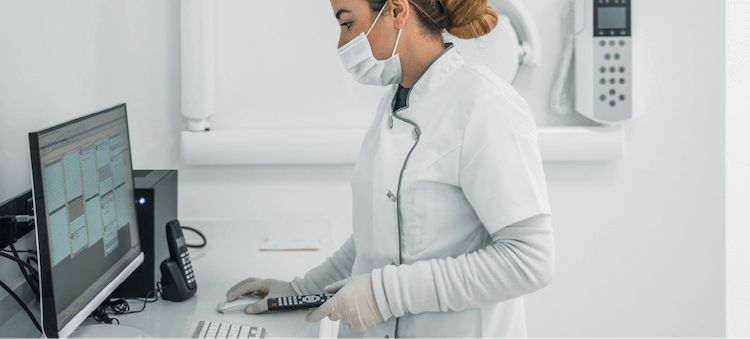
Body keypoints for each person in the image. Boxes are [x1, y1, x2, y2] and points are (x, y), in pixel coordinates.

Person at [225, 0, 555, 337]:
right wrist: (300, 291)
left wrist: (384, 294)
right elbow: (379, 234)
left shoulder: (485, 104)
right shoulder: (396, 101)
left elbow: (529, 260)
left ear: (397, 12)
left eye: (347, 24)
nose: (342, 44)